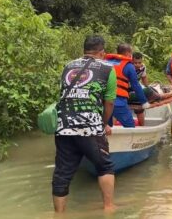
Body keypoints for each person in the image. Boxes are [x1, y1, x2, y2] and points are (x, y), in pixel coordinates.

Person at [52, 35, 117, 213]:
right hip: (90, 127)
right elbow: (109, 102)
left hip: (63, 126)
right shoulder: (107, 68)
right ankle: (109, 208)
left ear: (84, 51)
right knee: (104, 166)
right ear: (102, 52)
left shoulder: (68, 66)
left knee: (62, 173)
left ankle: (59, 214)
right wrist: (104, 123)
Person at [105, 43, 150, 127]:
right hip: (118, 102)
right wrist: (144, 102)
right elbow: (135, 85)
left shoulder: (105, 62)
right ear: (128, 53)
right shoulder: (129, 66)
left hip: (104, 101)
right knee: (130, 126)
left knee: (108, 126)